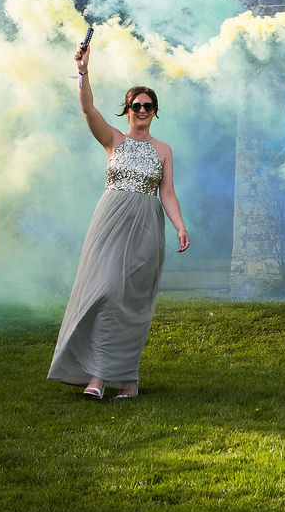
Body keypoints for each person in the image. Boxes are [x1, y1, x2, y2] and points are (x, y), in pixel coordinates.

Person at [48, 46, 190, 400]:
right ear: (126, 110)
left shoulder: (163, 150)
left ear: (155, 113)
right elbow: (87, 108)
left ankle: (127, 380)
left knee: (134, 301)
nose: (142, 110)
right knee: (107, 292)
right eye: (136, 105)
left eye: (148, 106)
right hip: (111, 222)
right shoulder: (113, 139)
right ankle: (96, 376)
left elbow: (167, 193)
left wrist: (180, 226)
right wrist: (83, 70)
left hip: (146, 225)